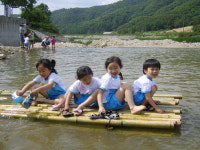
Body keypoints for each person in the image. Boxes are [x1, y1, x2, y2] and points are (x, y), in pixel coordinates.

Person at [74, 56, 145, 115]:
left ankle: (134, 105)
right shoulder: (107, 78)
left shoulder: (117, 76)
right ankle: (132, 107)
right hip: (108, 103)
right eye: (110, 69)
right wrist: (101, 107)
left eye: (116, 68)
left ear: (120, 67)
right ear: (107, 69)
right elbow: (99, 92)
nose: (113, 71)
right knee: (125, 85)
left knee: (124, 84)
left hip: (112, 101)